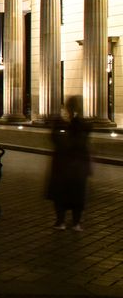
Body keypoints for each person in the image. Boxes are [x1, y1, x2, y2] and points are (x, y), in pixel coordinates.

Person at [47, 96, 92, 231]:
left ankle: (61, 222)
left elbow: (56, 139)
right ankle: (76, 223)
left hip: (64, 165)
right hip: (77, 166)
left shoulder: (64, 124)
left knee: (61, 195)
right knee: (77, 195)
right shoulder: (81, 124)